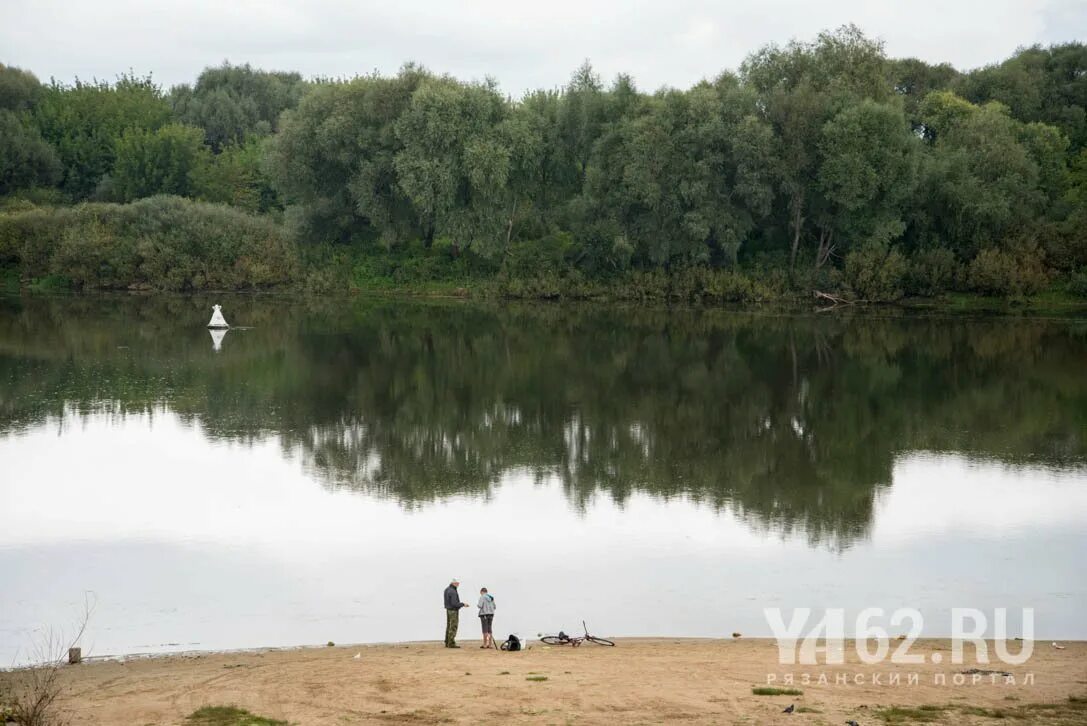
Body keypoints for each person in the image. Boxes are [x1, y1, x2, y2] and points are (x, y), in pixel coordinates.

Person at [443, 578, 468, 648]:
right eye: (457, 583)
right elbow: (454, 603)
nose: (458, 584)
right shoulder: (453, 591)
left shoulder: (447, 589)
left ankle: (447, 642)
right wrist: (463, 604)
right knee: (453, 626)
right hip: (453, 611)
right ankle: (451, 643)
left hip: (448, 610)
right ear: (454, 583)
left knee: (449, 626)